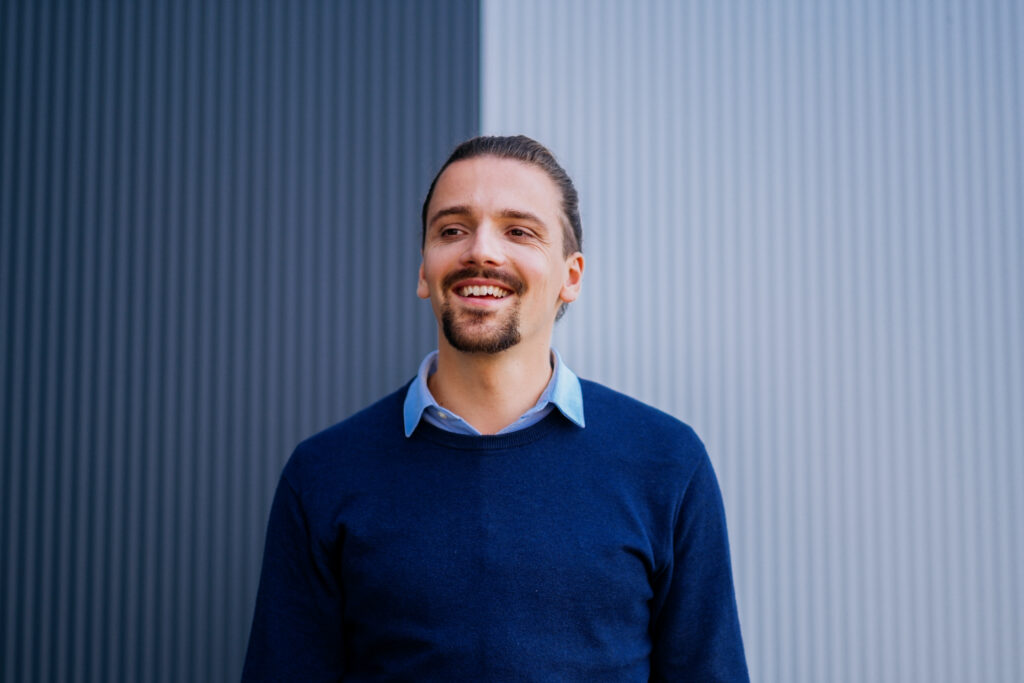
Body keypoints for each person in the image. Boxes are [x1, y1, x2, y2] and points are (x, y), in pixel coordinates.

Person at [242, 135, 749, 681]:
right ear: (423, 270)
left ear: (570, 277)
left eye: (519, 232)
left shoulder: (667, 463)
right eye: (452, 230)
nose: (481, 251)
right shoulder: (323, 474)